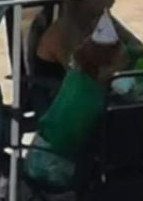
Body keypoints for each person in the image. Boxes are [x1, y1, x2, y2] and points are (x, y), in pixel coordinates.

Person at [26, 11, 130, 190]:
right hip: (56, 167)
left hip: (38, 156)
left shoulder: (76, 75)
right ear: (110, 58)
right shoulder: (99, 92)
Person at [32, 0, 143, 111]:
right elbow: (82, 77)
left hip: (93, 94)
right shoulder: (62, 33)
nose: (112, 2)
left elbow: (133, 43)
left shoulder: (99, 19)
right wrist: (120, 64)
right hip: (62, 104)